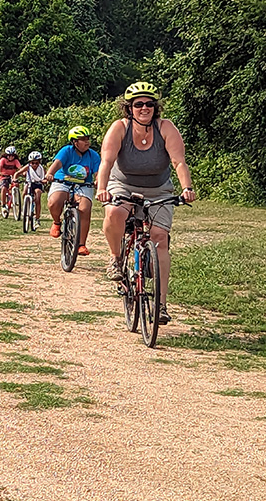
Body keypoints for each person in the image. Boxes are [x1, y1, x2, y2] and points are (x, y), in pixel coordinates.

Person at [95, 81, 196, 325]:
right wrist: (101, 188)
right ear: (128, 108)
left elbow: (178, 162)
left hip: (158, 188)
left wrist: (187, 188)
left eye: (149, 104)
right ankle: (116, 258)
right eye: (138, 104)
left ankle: (160, 305)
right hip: (123, 184)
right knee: (115, 213)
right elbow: (106, 162)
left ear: (155, 107)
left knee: (160, 238)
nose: (144, 108)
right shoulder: (120, 128)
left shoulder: (166, 128)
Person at [44, 126, 101, 256]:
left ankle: (81, 244)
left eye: (88, 139)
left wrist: (98, 180)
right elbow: (57, 163)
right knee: (55, 201)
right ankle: (56, 222)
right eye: (83, 139)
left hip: (84, 184)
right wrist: (50, 174)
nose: (87, 142)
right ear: (75, 142)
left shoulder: (93, 155)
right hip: (63, 181)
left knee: (85, 209)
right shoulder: (66, 151)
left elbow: (98, 172)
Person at [15, 151, 45, 227]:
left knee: (38, 196)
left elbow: (45, 177)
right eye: (32, 163)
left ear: (39, 162)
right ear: (30, 163)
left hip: (38, 184)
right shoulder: (28, 167)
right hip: (29, 183)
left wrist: (45, 180)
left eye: (36, 163)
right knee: (24, 192)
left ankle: (37, 218)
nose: (34, 165)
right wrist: (15, 178)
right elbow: (17, 173)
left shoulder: (41, 169)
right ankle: (25, 207)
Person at [0, 146, 22, 218]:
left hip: (12, 177)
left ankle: (15, 196)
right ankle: (3, 204)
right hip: (3, 176)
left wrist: (23, 173)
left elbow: (20, 168)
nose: (11, 157)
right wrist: (0, 173)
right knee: (4, 188)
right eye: (9, 155)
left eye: (12, 155)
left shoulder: (16, 161)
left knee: (16, 184)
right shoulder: (3, 160)